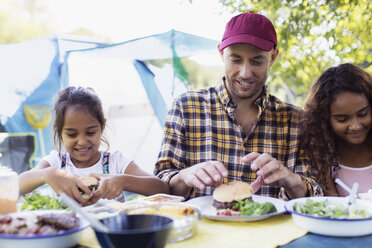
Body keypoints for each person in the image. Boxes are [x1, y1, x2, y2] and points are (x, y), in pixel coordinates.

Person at [154, 11, 323, 200]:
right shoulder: (185, 108)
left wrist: (290, 179)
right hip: (203, 229)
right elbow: (162, 186)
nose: (245, 73)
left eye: (257, 61)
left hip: (272, 229)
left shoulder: (296, 120)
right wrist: (184, 177)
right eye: (235, 59)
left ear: (273, 58)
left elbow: (313, 195)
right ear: (221, 53)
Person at [20, 86, 169, 205]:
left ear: (102, 126)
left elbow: (163, 189)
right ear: (59, 132)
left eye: (90, 132)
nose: (82, 141)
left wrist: (123, 181)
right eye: (72, 134)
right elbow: (16, 186)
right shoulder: (56, 162)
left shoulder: (116, 162)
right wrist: (46, 174)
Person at [301, 63, 372, 196]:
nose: (355, 126)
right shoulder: (324, 158)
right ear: (324, 120)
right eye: (342, 119)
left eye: (363, 114)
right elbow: (335, 209)